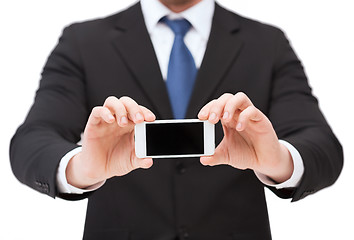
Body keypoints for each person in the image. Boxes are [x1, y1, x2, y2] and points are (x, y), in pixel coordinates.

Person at [10, 0, 343, 239]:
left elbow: (321, 144)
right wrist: (83, 169)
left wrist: (279, 160)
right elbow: (32, 139)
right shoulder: (82, 41)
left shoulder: (267, 42)